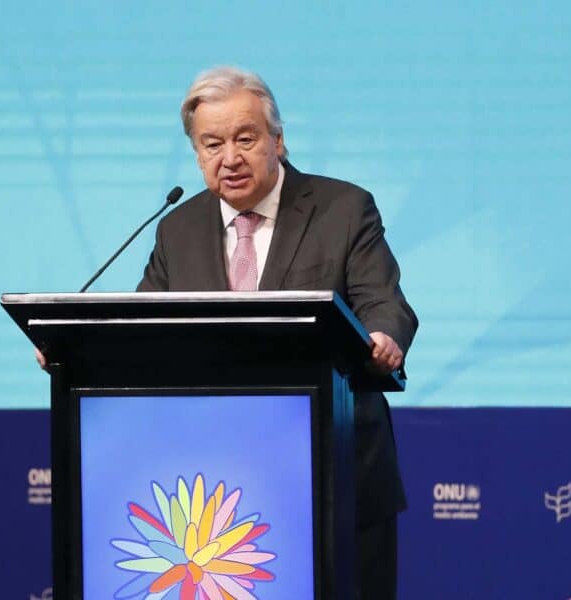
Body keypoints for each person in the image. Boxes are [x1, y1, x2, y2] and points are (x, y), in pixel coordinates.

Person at [136, 66, 418, 598]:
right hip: (216, 491)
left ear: (278, 140)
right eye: (211, 143)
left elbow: (383, 301)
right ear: (196, 153)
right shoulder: (179, 228)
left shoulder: (343, 208)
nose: (230, 157)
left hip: (336, 473)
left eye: (245, 138)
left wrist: (384, 337)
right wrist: (71, 351)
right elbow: (141, 325)